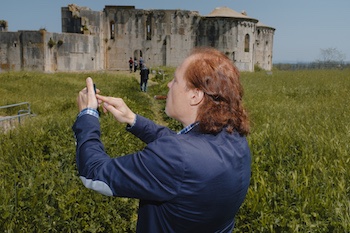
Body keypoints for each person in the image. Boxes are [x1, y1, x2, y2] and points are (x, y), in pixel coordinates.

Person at [72, 47, 251, 233]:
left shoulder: (176, 156)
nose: (168, 85)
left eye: (175, 80)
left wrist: (87, 115)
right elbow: (185, 149)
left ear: (195, 95)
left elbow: (93, 173)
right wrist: (132, 119)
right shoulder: (236, 138)